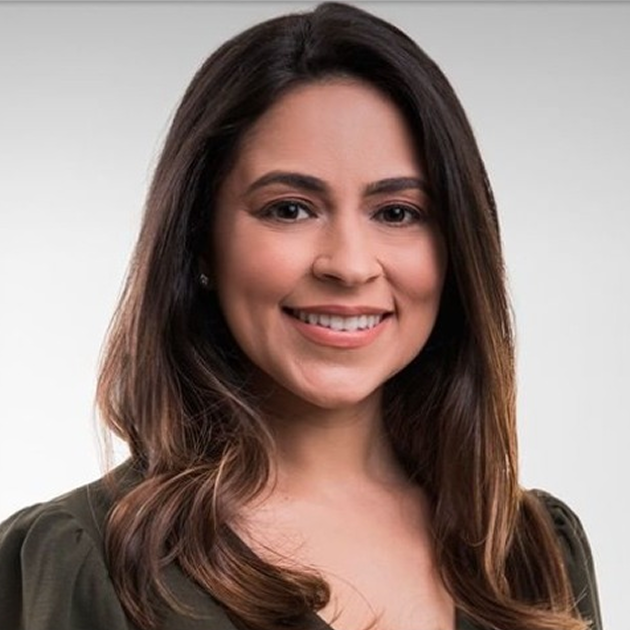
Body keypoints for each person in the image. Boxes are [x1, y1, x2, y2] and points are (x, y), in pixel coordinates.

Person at [0, 3, 602, 630]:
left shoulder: (534, 556)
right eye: (289, 209)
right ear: (199, 239)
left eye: (397, 213)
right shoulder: (78, 563)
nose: (349, 265)